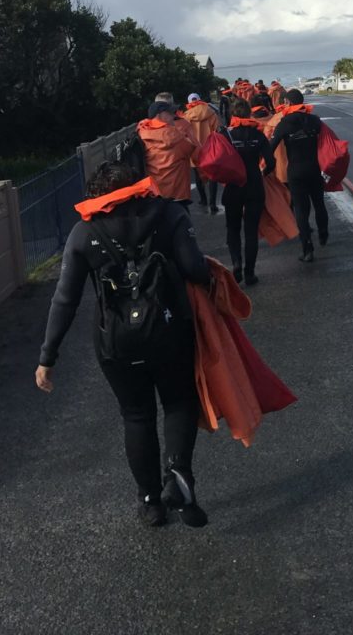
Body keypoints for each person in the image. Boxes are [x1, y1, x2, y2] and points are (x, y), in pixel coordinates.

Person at [35, 161, 210, 528]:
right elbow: (196, 269)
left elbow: (65, 299)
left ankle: (150, 503)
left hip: (115, 343)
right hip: (170, 332)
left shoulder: (85, 232)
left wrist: (47, 357)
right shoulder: (171, 214)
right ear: (139, 185)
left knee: (136, 416)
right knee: (179, 402)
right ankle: (177, 475)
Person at [270, 90, 328, 263]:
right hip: (314, 168)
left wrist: (266, 169)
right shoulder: (315, 120)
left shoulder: (284, 123)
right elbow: (327, 141)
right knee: (319, 203)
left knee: (301, 210)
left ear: (288, 102)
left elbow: (270, 148)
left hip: (295, 171)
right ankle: (323, 233)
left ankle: (307, 248)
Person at [222, 99, 276, 285]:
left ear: (232, 114)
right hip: (254, 185)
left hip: (233, 186)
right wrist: (262, 174)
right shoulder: (258, 135)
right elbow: (271, 162)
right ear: (249, 114)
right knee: (251, 231)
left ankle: (236, 263)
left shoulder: (226, 135)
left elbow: (216, 160)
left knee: (233, 228)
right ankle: (250, 272)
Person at [138, 102, 199, 203]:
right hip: (177, 193)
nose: (174, 115)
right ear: (159, 115)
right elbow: (191, 149)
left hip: (154, 192)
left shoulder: (142, 132)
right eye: (170, 112)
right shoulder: (174, 134)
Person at [181, 92, 220, 214]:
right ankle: (213, 203)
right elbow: (217, 130)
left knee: (198, 175)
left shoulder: (186, 116)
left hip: (194, 150)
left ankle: (203, 199)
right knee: (213, 176)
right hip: (210, 148)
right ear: (200, 99)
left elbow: (183, 134)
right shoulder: (210, 112)